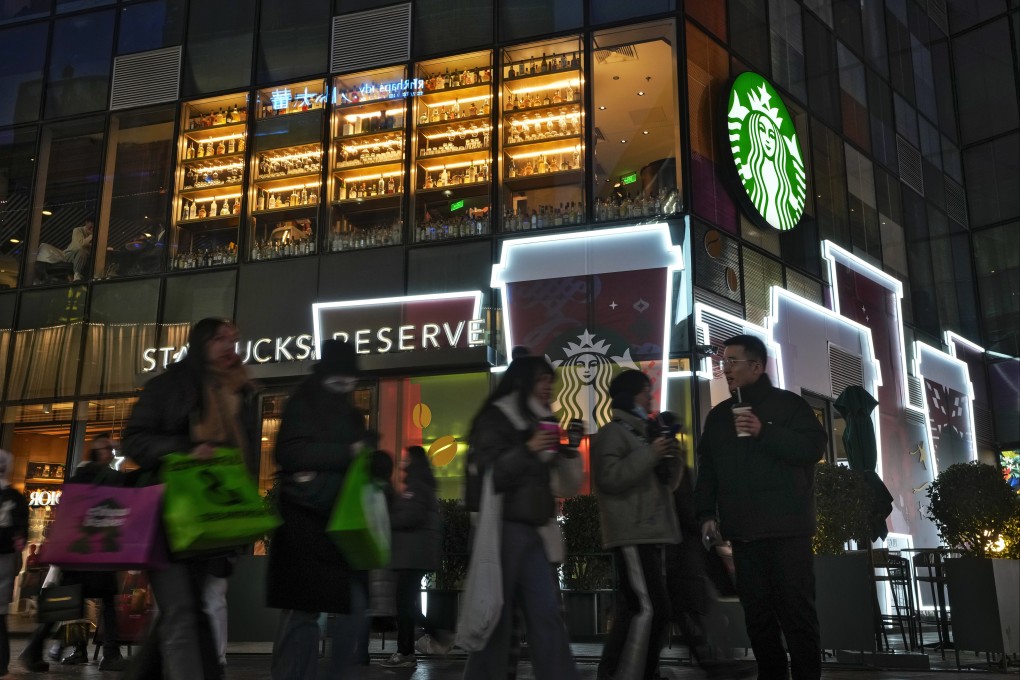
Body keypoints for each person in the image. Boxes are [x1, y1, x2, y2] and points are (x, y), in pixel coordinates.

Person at [123, 317, 260, 680]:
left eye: (234, 338)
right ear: (201, 343)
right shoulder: (170, 385)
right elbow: (135, 440)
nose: (230, 346)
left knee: (187, 610)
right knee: (184, 611)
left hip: (213, 518)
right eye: (220, 339)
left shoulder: (238, 392)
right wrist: (186, 450)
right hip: (169, 516)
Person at [694, 334, 827, 680]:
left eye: (732, 362)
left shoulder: (788, 406)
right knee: (758, 618)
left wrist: (763, 431)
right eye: (723, 362)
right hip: (744, 535)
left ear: (757, 366)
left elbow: (813, 447)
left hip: (788, 532)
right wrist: (706, 514)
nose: (725, 368)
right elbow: (707, 469)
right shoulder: (719, 417)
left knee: (797, 615)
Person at [461, 355, 580, 680]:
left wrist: (567, 450)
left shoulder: (540, 419)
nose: (549, 388)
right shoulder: (497, 418)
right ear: (525, 380)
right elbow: (490, 474)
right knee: (497, 618)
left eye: (551, 382)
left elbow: (559, 482)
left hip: (534, 530)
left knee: (547, 615)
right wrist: (528, 449)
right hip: (503, 529)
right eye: (543, 380)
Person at [267, 339, 373, 680]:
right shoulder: (305, 403)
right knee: (307, 610)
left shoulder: (341, 409)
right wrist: (349, 452)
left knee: (344, 608)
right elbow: (290, 453)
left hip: (338, 519)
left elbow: (299, 455)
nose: (348, 384)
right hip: (308, 519)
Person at [591, 369, 681, 680]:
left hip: (651, 531)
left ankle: (622, 671)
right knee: (652, 608)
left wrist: (670, 451)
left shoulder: (643, 433)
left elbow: (668, 483)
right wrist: (650, 452)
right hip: (632, 531)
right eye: (645, 392)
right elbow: (610, 478)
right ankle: (635, 672)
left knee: (636, 609)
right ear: (630, 396)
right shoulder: (612, 433)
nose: (650, 398)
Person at [19, 433, 127, 672]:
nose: (110, 453)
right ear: (98, 452)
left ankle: (34, 649)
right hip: (98, 550)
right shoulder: (106, 478)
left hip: (79, 551)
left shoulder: (79, 479)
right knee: (105, 602)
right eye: (107, 448)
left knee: (65, 602)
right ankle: (110, 654)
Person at [381, 446, 440, 668]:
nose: (403, 462)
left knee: (405, 604)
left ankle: (409, 649)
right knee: (406, 603)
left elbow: (411, 516)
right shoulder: (419, 485)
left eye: (406, 458)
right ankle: (412, 647)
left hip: (412, 557)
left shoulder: (416, 487)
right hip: (413, 556)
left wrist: (389, 517)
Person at [0, 449, 29, 677]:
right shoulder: (16, 498)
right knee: (0, 614)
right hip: (7, 557)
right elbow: (21, 533)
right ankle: (1, 662)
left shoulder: (16, 498)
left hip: (6, 557)